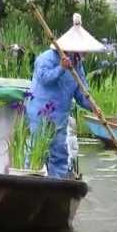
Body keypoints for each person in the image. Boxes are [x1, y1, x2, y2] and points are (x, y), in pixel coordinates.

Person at [25, 13, 105, 179]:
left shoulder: (78, 67)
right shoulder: (45, 59)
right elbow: (44, 79)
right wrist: (61, 68)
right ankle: (31, 178)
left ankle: (58, 182)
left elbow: (81, 93)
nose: (84, 54)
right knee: (37, 150)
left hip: (60, 117)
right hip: (41, 114)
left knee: (59, 153)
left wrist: (93, 106)